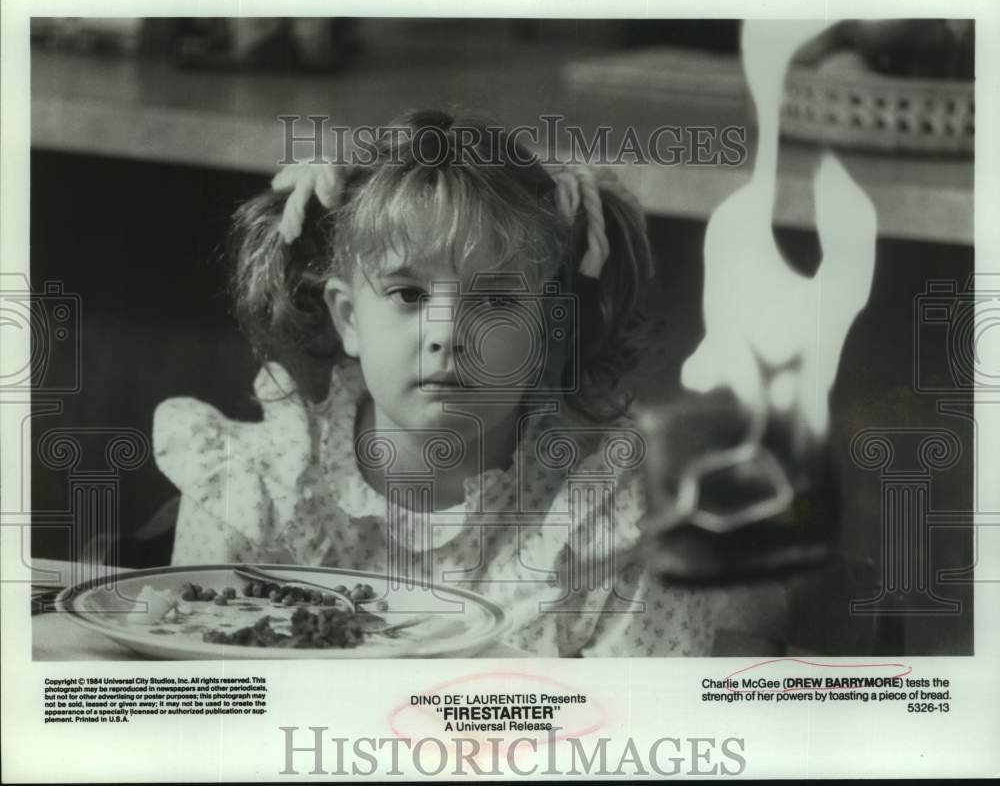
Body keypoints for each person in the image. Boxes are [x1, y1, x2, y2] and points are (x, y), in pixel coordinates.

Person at [153, 108, 778, 656]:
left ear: (547, 330)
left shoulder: (613, 527)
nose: (449, 332)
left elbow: (646, 734)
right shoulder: (252, 490)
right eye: (407, 293)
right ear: (349, 318)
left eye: (496, 301)